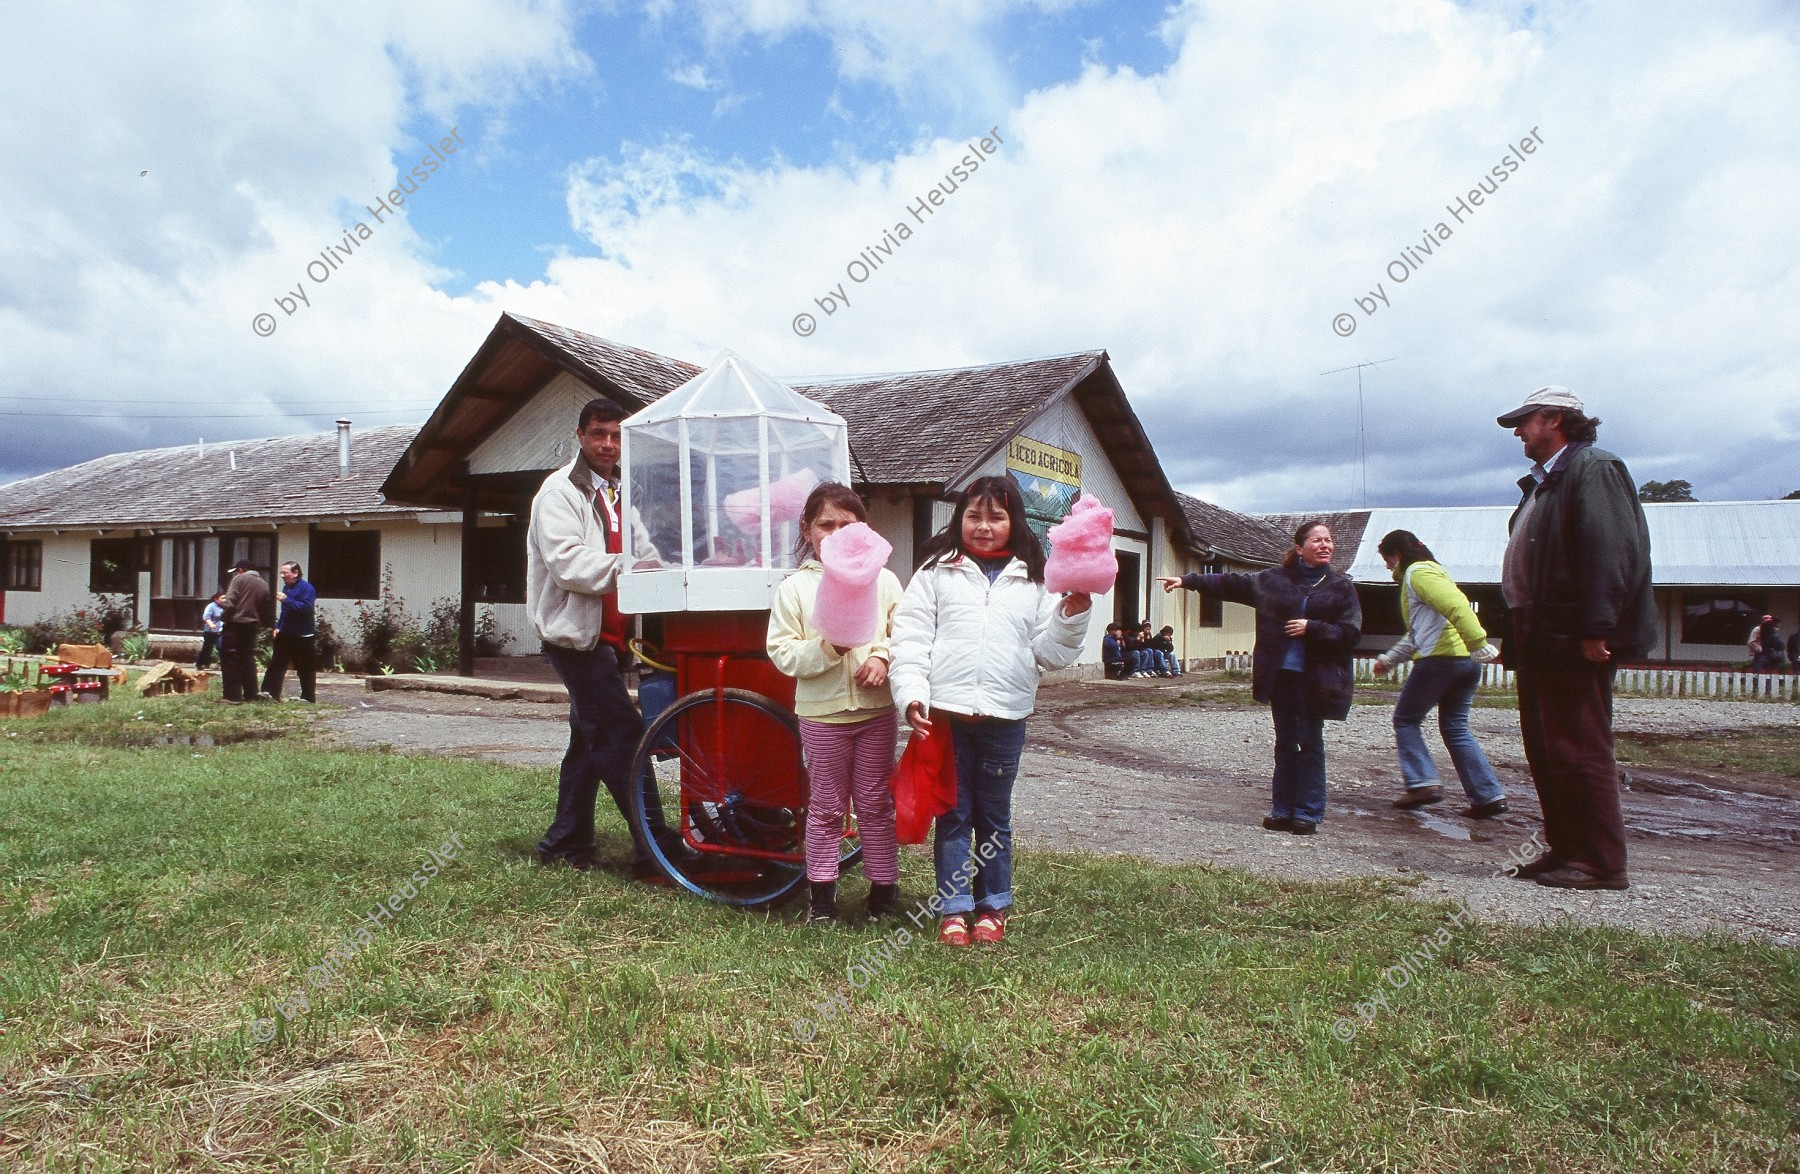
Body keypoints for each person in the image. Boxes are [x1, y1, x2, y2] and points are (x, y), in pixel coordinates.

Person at [889, 475, 1092, 946]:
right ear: (958, 518)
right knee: (954, 816)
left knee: (994, 818)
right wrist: (912, 696)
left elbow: (1050, 653)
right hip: (946, 717)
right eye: (973, 515)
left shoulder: (1036, 579)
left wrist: (1071, 615)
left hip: (1005, 717)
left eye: (995, 517)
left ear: (1014, 521)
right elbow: (912, 641)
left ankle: (993, 906)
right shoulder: (935, 573)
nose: (983, 526)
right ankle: (954, 909)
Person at [1495, 385, 1654, 891]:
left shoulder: (1595, 469)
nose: (1519, 431)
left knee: (1579, 748)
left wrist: (1596, 626)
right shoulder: (1547, 482)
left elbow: (1608, 552)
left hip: (1571, 635)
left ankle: (1601, 862)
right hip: (1542, 634)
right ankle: (1566, 849)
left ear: (1556, 419)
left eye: (1525, 421)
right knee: (1547, 748)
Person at [527, 397, 674, 875]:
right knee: (621, 732)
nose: (608, 445)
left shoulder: (616, 492)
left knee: (588, 739)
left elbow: (643, 550)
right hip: (575, 636)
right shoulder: (558, 493)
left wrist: (667, 571)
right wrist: (629, 567)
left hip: (612, 636)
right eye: (599, 435)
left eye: (616, 436)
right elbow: (567, 563)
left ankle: (565, 842)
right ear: (580, 436)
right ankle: (656, 848)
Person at [1158, 521, 1361, 835]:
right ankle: (1281, 810)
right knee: (1284, 743)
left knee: (1309, 742)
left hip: (1317, 680)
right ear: (1299, 548)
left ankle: (1307, 813)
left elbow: (1350, 633)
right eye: (1317, 540)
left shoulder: (1340, 586)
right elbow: (1230, 583)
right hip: (1282, 676)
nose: (1325, 545)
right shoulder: (1272, 580)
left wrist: (1313, 628)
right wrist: (1187, 580)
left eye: (1329, 541)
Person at [766, 483, 906, 924]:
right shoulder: (794, 589)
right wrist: (831, 649)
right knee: (826, 807)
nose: (836, 533)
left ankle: (883, 891)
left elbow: (905, 632)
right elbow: (783, 652)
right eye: (826, 525)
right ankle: (821, 898)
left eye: (848, 525)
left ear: (865, 529)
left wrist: (882, 655)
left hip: (875, 713)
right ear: (807, 530)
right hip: (822, 717)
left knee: (875, 803)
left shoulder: (884, 580)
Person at [1369, 530, 1508, 818]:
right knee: (1456, 728)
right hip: (1464, 663)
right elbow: (1418, 634)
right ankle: (1488, 797)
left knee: (1405, 720)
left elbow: (1457, 607)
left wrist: (1478, 642)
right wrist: (1390, 660)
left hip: (1440, 661)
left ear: (1398, 555)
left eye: (1387, 559)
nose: (1386, 566)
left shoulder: (1418, 573)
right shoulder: (1435, 573)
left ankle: (1422, 783)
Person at [260, 561, 317, 702]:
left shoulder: (307, 588)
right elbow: (285, 612)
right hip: (285, 633)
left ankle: (308, 697)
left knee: (305, 668)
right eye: (281, 572)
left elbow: (306, 608)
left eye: (285, 572)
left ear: (295, 573)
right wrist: (278, 626)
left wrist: (287, 600)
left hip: (303, 635)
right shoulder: (287, 587)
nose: (282, 575)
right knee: (277, 664)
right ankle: (269, 693)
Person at [216, 560, 271, 704]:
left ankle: (232, 695)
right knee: (247, 658)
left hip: (235, 624)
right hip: (252, 625)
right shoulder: (263, 584)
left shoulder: (239, 579)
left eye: (235, 571)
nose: (234, 574)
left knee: (230, 659)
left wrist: (224, 617)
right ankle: (251, 693)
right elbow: (263, 607)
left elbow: (230, 602)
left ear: (240, 570)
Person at [196, 592, 226, 669]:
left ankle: (224, 665)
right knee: (207, 648)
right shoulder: (211, 606)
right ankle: (200, 664)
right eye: (222, 598)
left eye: (225, 598)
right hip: (210, 632)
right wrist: (211, 624)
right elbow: (206, 617)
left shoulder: (225, 607)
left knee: (221, 647)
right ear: (216, 599)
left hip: (220, 631)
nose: (224, 600)